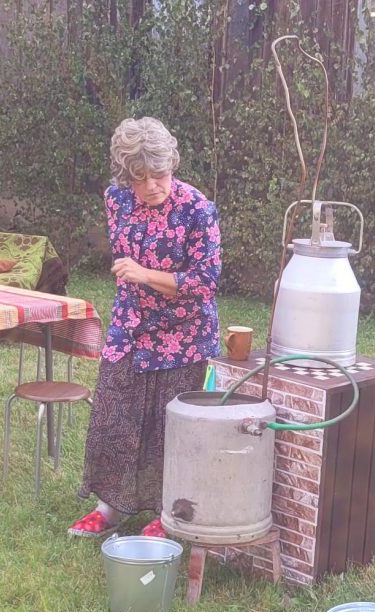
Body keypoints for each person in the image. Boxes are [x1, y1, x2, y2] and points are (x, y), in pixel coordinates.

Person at [69, 117, 222, 539]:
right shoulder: (117, 199)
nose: (153, 185)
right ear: (126, 177)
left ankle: (168, 511)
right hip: (131, 327)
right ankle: (110, 507)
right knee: (114, 414)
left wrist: (146, 274)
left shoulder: (197, 209)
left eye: (160, 174)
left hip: (184, 333)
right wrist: (135, 282)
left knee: (170, 425)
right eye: (141, 178)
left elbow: (206, 281)